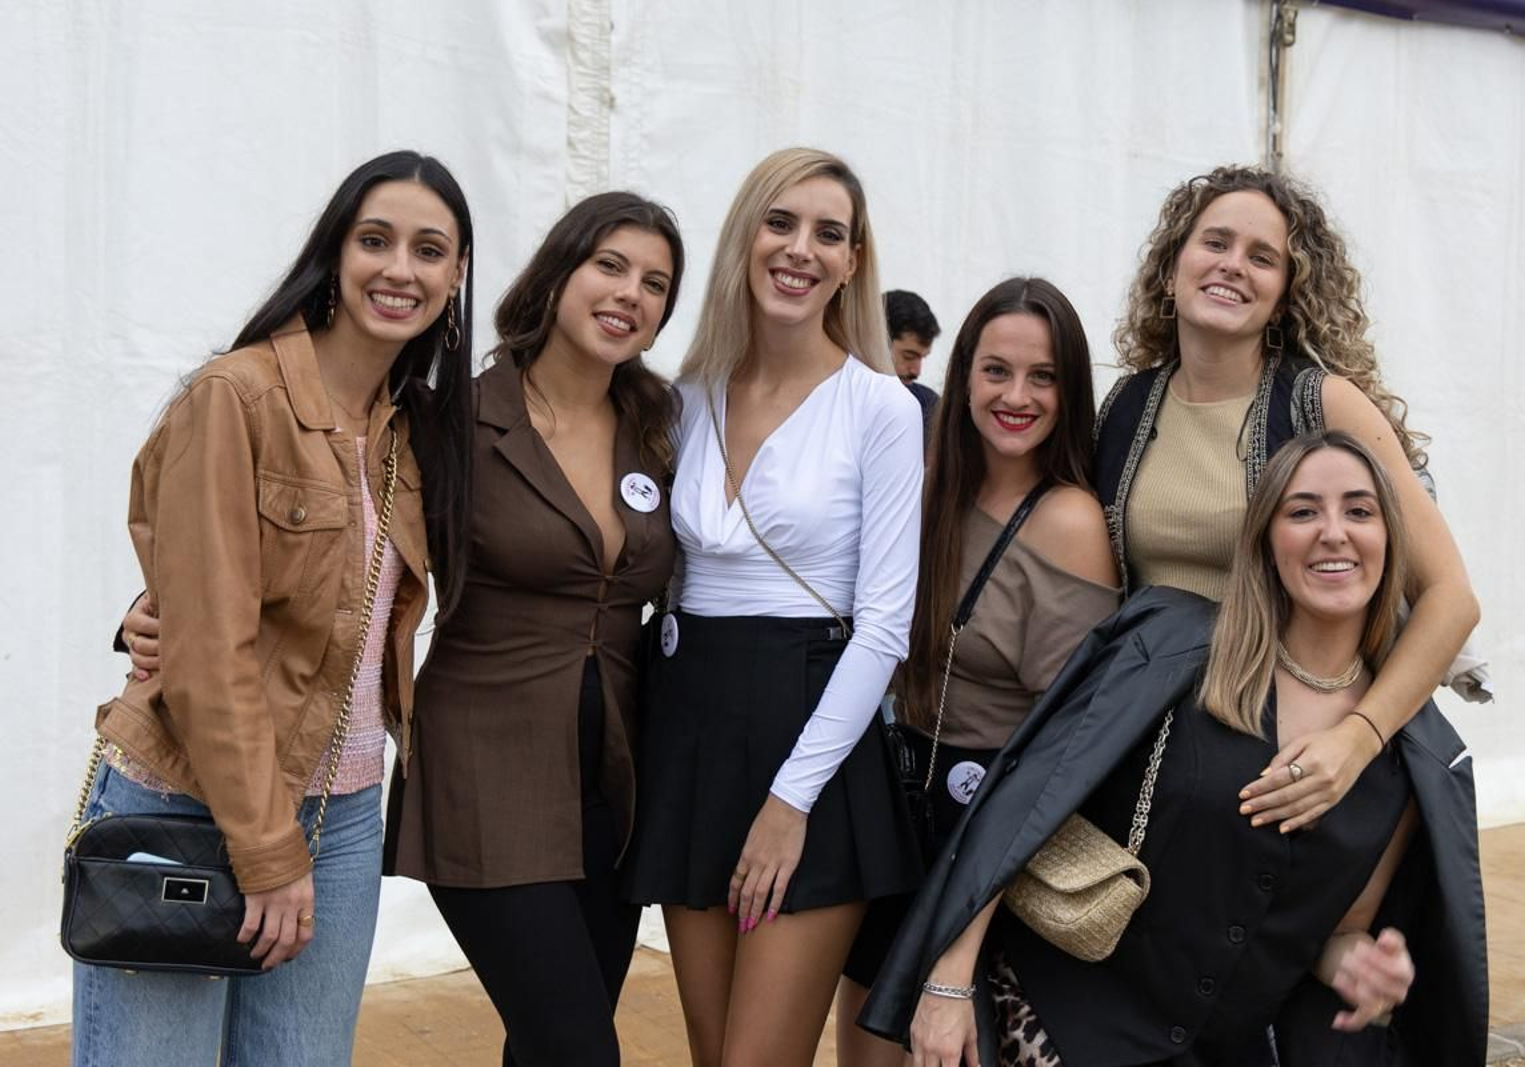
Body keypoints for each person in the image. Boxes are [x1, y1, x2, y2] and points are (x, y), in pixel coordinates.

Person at [862, 432, 1488, 1066]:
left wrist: (1358, 963)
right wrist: (948, 982)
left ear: (1391, 543)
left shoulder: (1409, 753)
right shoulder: (1169, 650)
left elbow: (1335, 928)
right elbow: (1022, 801)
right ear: (1268, 543)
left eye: (1359, 511)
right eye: (1303, 511)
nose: (1333, 532)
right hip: (1060, 1022)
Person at [77, 150, 474, 1066]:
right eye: (376, 240)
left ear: (455, 278)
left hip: (341, 818)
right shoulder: (238, 395)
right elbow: (211, 643)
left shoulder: (412, 433)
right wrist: (266, 848)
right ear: (335, 253)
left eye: (429, 249)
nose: (400, 269)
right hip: (186, 795)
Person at [624, 147, 925, 1067]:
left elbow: (884, 623)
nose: (799, 249)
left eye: (827, 233)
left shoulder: (881, 406)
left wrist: (791, 798)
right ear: (744, 237)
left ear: (852, 261)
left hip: (811, 739)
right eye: (780, 222)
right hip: (689, 726)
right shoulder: (682, 396)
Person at [383, 191, 684, 1067]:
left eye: (656, 282)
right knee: (581, 1049)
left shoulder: (660, 426)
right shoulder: (449, 423)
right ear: (558, 274)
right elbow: (351, 548)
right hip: (484, 768)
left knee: (548, 1043)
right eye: (611, 266)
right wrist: (156, 610)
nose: (631, 292)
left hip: (617, 782)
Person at [1093, 164, 1478, 833]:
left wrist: (1356, 739)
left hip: (1286, 752)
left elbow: (1452, 599)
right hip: (1153, 751)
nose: (1233, 265)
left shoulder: (1325, 406)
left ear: (1285, 293)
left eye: (1262, 257)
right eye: (1215, 242)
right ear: (1172, 264)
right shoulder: (1125, 407)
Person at [835, 277, 1119, 1067]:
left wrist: (959, 956)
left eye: (1044, 376)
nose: (1016, 395)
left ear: (1071, 390)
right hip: (893, 808)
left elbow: (1053, 764)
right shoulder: (928, 484)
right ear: (961, 377)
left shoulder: (1069, 521)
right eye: (996, 370)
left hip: (987, 838)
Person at [884, 289, 942, 441]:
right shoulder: (838, 398)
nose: (916, 371)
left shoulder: (930, 407)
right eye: (909, 356)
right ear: (877, 341)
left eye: (922, 358)